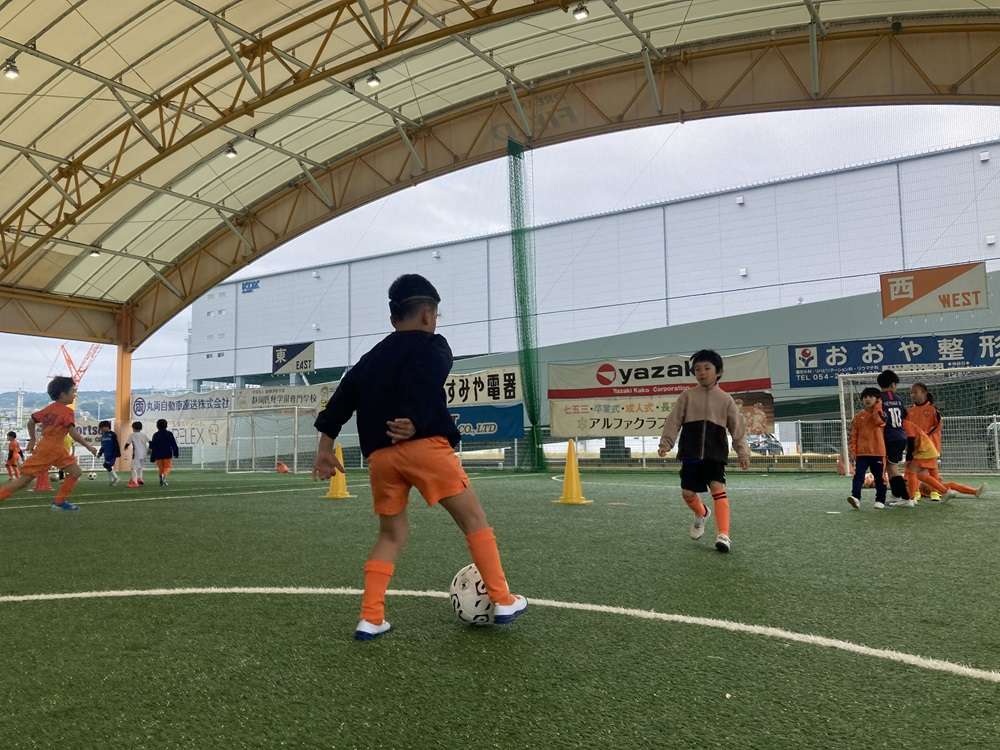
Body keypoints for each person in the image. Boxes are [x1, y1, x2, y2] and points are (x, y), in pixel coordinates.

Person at [313, 273, 526, 640]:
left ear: (393, 317)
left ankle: (371, 617)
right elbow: (428, 378)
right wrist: (415, 419)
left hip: (381, 458)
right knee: (473, 519)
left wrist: (324, 448)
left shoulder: (369, 359)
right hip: (426, 449)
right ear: (428, 315)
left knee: (391, 534)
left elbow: (342, 400)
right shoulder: (434, 346)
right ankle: (503, 599)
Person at [658, 349, 751, 553]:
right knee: (687, 493)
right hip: (690, 452)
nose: (702, 372)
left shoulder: (726, 399)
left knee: (718, 488)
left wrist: (743, 452)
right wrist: (666, 443)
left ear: (718, 372)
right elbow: (673, 421)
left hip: (715, 453)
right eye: (698, 369)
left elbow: (737, 429)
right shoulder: (687, 396)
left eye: (707, 368)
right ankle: (702, 512)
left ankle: (723, 535)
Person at [0, 376, 97, 510]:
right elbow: (73, 433)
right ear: (63, 394)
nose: (75, 395)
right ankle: (59, 502)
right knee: (23, 481)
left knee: (75, 472)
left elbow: (31, 422)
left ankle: (59, 502)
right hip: (52, 449)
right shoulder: (68, 412)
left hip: (50, 448)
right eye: (73, 391)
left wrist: (33, 439)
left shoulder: (49, 408)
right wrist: (89, 446)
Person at [906, 383, 985, 500]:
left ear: (924, 393)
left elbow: (937, 426)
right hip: (919, 448)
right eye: (911, 393)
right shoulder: (910, 411)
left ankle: (918, 494)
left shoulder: (932, 409)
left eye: (915, 392)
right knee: (928, 473)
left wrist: (923, 435)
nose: (912, 395)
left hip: (928, 447)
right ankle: (931, 493)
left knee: (919, 472)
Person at [846, 387, 887, 510]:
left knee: (879, 478)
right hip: (862, 453)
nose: (867, 399)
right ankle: (856, 497)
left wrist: (878, 407)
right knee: (858, 476)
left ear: (878, 399)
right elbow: (853, 435)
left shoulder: (882, 414)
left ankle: (880, 500)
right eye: (865, 397)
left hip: (878, 452)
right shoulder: (858, 417)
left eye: (871, 397)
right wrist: (853, 450)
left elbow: (879, 422)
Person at [877, 370, 910, 501]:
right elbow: (905, 415)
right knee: (891, 467)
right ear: (892, 384)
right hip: (900, 436)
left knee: (890, 468)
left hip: (888, 437)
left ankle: (905, 497)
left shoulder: (879, 399)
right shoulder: (899, 399)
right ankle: (896, 495)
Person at [150, 419, 180, 487]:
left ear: (157, 426)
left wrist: (152, 457)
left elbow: (153, 446)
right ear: (166, 426)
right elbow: (173, 444)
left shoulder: (155, 435)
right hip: (167, 454)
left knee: (161, 468)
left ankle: (162, 480)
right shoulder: (169, 434)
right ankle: (163, 476)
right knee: (167, 467)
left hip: (158, 455)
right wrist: (176, 453)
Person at [124, 421, 149, 488]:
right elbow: (150, 442)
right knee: (140, 467)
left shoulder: (132, 435)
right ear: (141, 428)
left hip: (136, 454)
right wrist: (150, 449)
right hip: (144, 453)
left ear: (133, 428)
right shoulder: (144, 435)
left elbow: (127, 443)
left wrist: (125, 448)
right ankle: (139, 478)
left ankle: (134, 482)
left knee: (133, 468)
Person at [97, 420, 121, 486]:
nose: (101, 429)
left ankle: (116, 478)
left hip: (112, 454)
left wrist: (117, 453)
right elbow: (103, 446)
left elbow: (116, 444)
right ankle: (111, 481)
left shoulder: (112, 434)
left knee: (106, 465)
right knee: (108, 467)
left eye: (102, 428)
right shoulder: (103, 436)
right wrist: (100, 453)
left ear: (107, 427)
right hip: (106, 454)